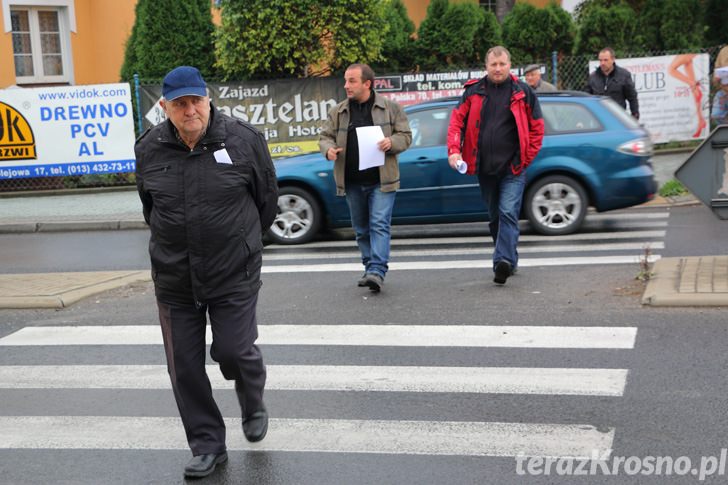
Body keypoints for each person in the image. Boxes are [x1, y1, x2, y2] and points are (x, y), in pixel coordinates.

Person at [135, 66, 278, 478]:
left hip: (233, 271)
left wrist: (243, 242)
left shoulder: (243, 140)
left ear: (208, 98)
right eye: (179, 104)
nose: (190, 110)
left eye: (195, 100)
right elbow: (151, 208)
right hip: (175, 277)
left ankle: (252, 398)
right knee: (183, 367)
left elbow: (266, 201)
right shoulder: (149, 149)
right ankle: (208, 445)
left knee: (233, 350)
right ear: (165, 107)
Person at [447, 46, 545, 285]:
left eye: (502, 64)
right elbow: (456, 123)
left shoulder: (523, 92)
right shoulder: (473, 91)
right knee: (495, 218)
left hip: (513, 169)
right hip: (484, 169)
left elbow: (537, 129)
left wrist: (524, 159)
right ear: (486, 66)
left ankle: (501, 261)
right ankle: (510, 258)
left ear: (510, 65)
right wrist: (454, 151)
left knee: (508, 212)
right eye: (494, 64)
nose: (498, 69)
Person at [319, 63, 411, 293]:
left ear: (367, 84)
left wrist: (392, 142)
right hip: (351, 181)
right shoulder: (338, 111)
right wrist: (328, 149)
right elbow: (325, 136)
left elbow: (406, 136)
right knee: (361, 229)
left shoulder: (390, 108)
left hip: (382, 180)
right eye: (346, 81)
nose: (346, 86)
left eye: (352, 81)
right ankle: (370, 267)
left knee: (379, 224)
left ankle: (377, 270)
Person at [585, 47, 639, 120]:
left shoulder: (624, 75)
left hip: (618, 118)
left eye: (605, 60)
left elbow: (632, 97)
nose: (602, 63)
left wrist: (635, 116)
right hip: (598, 120)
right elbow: (586, 98)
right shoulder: (593, 77)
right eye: (600, 60)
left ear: (613, 59)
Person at [668, 54, 706, 138]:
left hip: (688, 49)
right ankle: (701, 121)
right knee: (694, 89)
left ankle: (694, 85)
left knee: (671, 69)